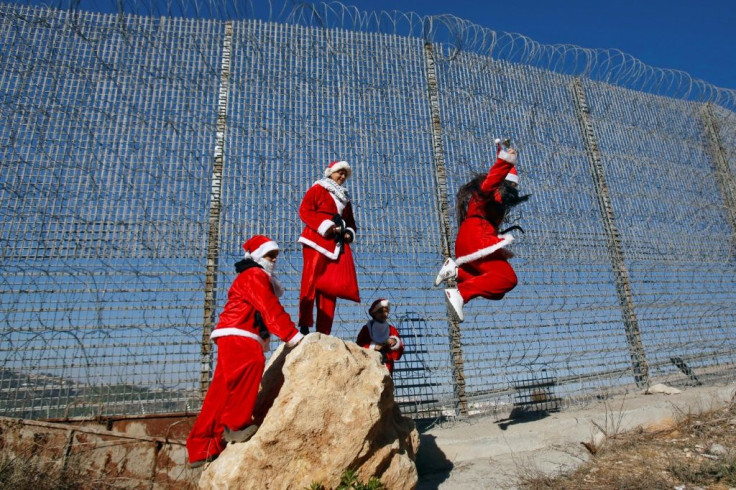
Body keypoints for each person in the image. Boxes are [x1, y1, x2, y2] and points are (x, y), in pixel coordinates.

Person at [186, 235, 304, 468]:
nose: (274, 260)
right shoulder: (254, 275)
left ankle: (203, 446)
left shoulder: (252, 275)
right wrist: (291, 335)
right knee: (250, 367)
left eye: (276, 256)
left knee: (221, 390)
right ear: (259, 255)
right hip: (240, 333)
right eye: (271, 255)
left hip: (234, 333)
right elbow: (269, 307)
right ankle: (235, 424)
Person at [434, 142, 529, 322]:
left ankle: (455, 271)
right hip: (477, 237)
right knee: (507, 278)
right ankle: (460, 293)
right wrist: (505, 161)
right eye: (511, 186)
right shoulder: (488, 190)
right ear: (504, 182)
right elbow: (491, 181)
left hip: (469, 239)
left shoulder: (493, 201)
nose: (514, 191)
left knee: (496, 290)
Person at [297, 160, 360, 335]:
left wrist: (348, 232)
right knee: (310, 280)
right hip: (315, 240)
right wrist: (325, 226)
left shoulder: (345, 198)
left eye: (345, 174)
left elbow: (351, 223)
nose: (342, 176)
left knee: (330, 287)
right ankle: (304, 323)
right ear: (330, 172)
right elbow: (305, 210)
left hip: (335, 245)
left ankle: (324, 331)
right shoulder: (319, 188)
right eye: (339, 172)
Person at [356, 299, 404, 375]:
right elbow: (359, 346)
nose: (384, 314)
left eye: (386, 312)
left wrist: (394, 342)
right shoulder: (367, 329)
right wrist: (373, 347)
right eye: (380, 311)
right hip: (370, 368)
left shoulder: (391, 329)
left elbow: (398, 354)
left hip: (387, 368)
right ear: (374, 313)